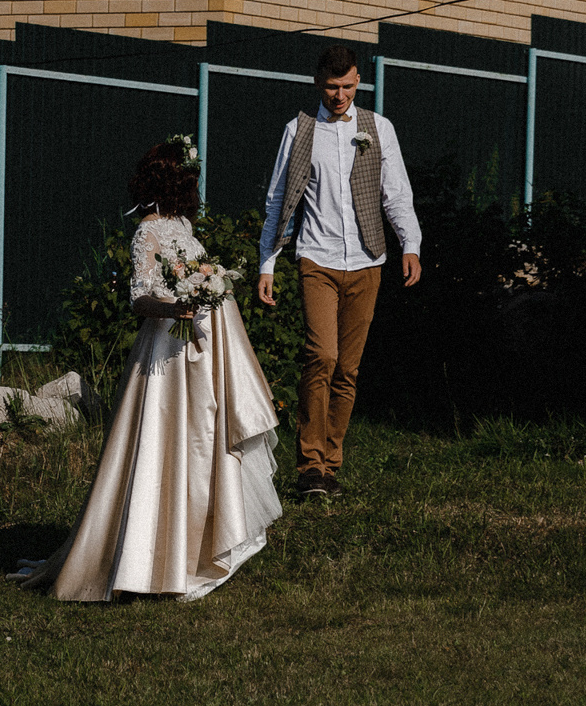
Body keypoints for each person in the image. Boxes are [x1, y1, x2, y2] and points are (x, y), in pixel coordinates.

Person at [26, 137, 283, 603]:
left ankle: (193, 548)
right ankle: (146, 558)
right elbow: (139, 298)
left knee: (201, 443)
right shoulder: (147, 230)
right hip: (166, 351)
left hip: (203, 348)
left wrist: (210, 284)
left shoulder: (183, 224)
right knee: (161, 447)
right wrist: (176, 306)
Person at [255, 44, 422, 497]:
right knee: (321, 357)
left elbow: (397, 192)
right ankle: (309, 464)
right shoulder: (299, 130)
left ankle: (330, 466)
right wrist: (266, 263)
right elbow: (279, 201)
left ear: (358, 83)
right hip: (317, 258)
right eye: (332, 87)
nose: (340, 95)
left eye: (348, 86)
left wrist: (411, 243)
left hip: (368, 260)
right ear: (317, 84)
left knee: (347, 369)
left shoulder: (378, 128)